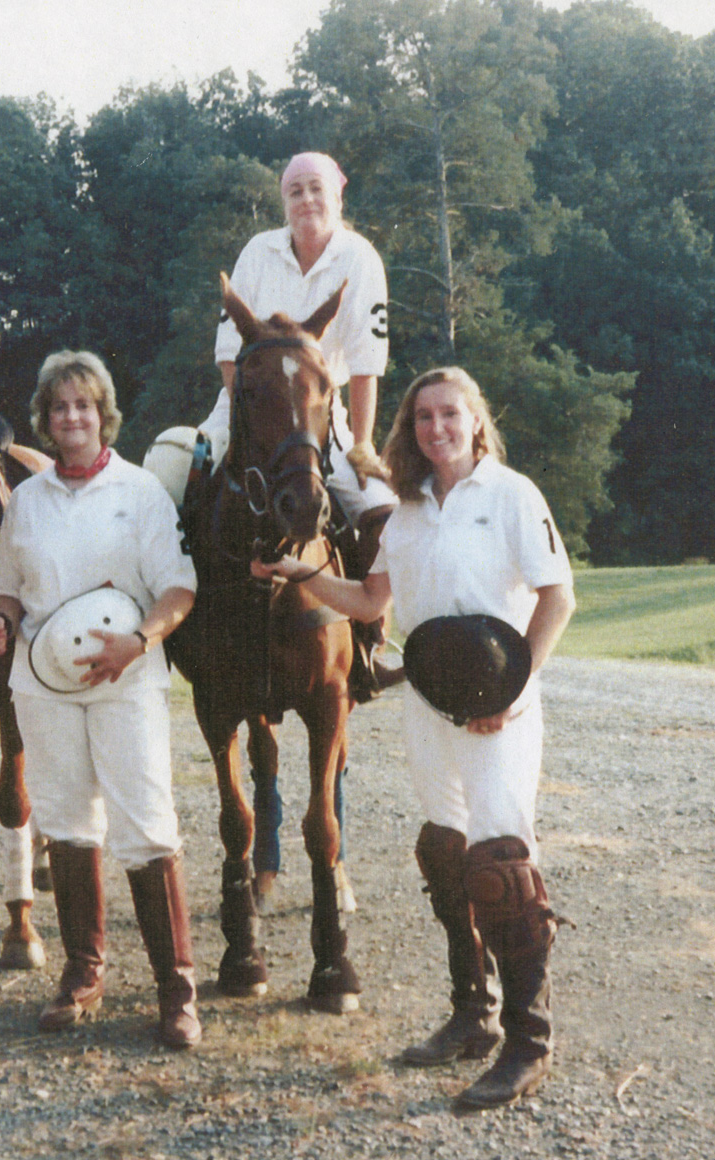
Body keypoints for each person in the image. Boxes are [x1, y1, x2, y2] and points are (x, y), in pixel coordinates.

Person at [251, 366, 576, 1109]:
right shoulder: (406, 512)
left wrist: (517, 686)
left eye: (449, 415)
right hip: (430, 701)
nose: (437, 428)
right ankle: (473, 1014)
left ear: (476, 421)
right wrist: (298, 571)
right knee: (445, 850)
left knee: (503, 864)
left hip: (501, 709)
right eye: (423, 417)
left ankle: (530, 1041)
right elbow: (370, 599)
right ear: (411, 429)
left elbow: (559, 596)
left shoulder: (513, 495)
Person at [0, 350, 201, 1050]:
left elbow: (178, 589)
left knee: (145, 825)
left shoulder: (141, 493)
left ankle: (177, 990)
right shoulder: (28, 502)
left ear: (102, 414)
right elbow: (8, 586)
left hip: (126, 681)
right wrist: (0, 623)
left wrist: (139, 639)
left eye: (84, 405)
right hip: (42, 687)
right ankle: (83, 972)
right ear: (44, 419)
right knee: (68, 823)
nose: (71, 417)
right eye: (58, 407)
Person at [204, 150, 398, 902]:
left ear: (338, 193)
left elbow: (366, 363)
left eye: (317, 188)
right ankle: (171, 625)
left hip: (323, 420)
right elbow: (231, 356)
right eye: (294, 190)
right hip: (248, 415)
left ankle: (375, 645)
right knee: (163, 481)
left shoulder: (362, 258)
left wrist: (359, 443)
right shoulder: (257, 253)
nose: (305, 199)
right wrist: (252, 424)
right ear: (282, 199)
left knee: (377, 512)